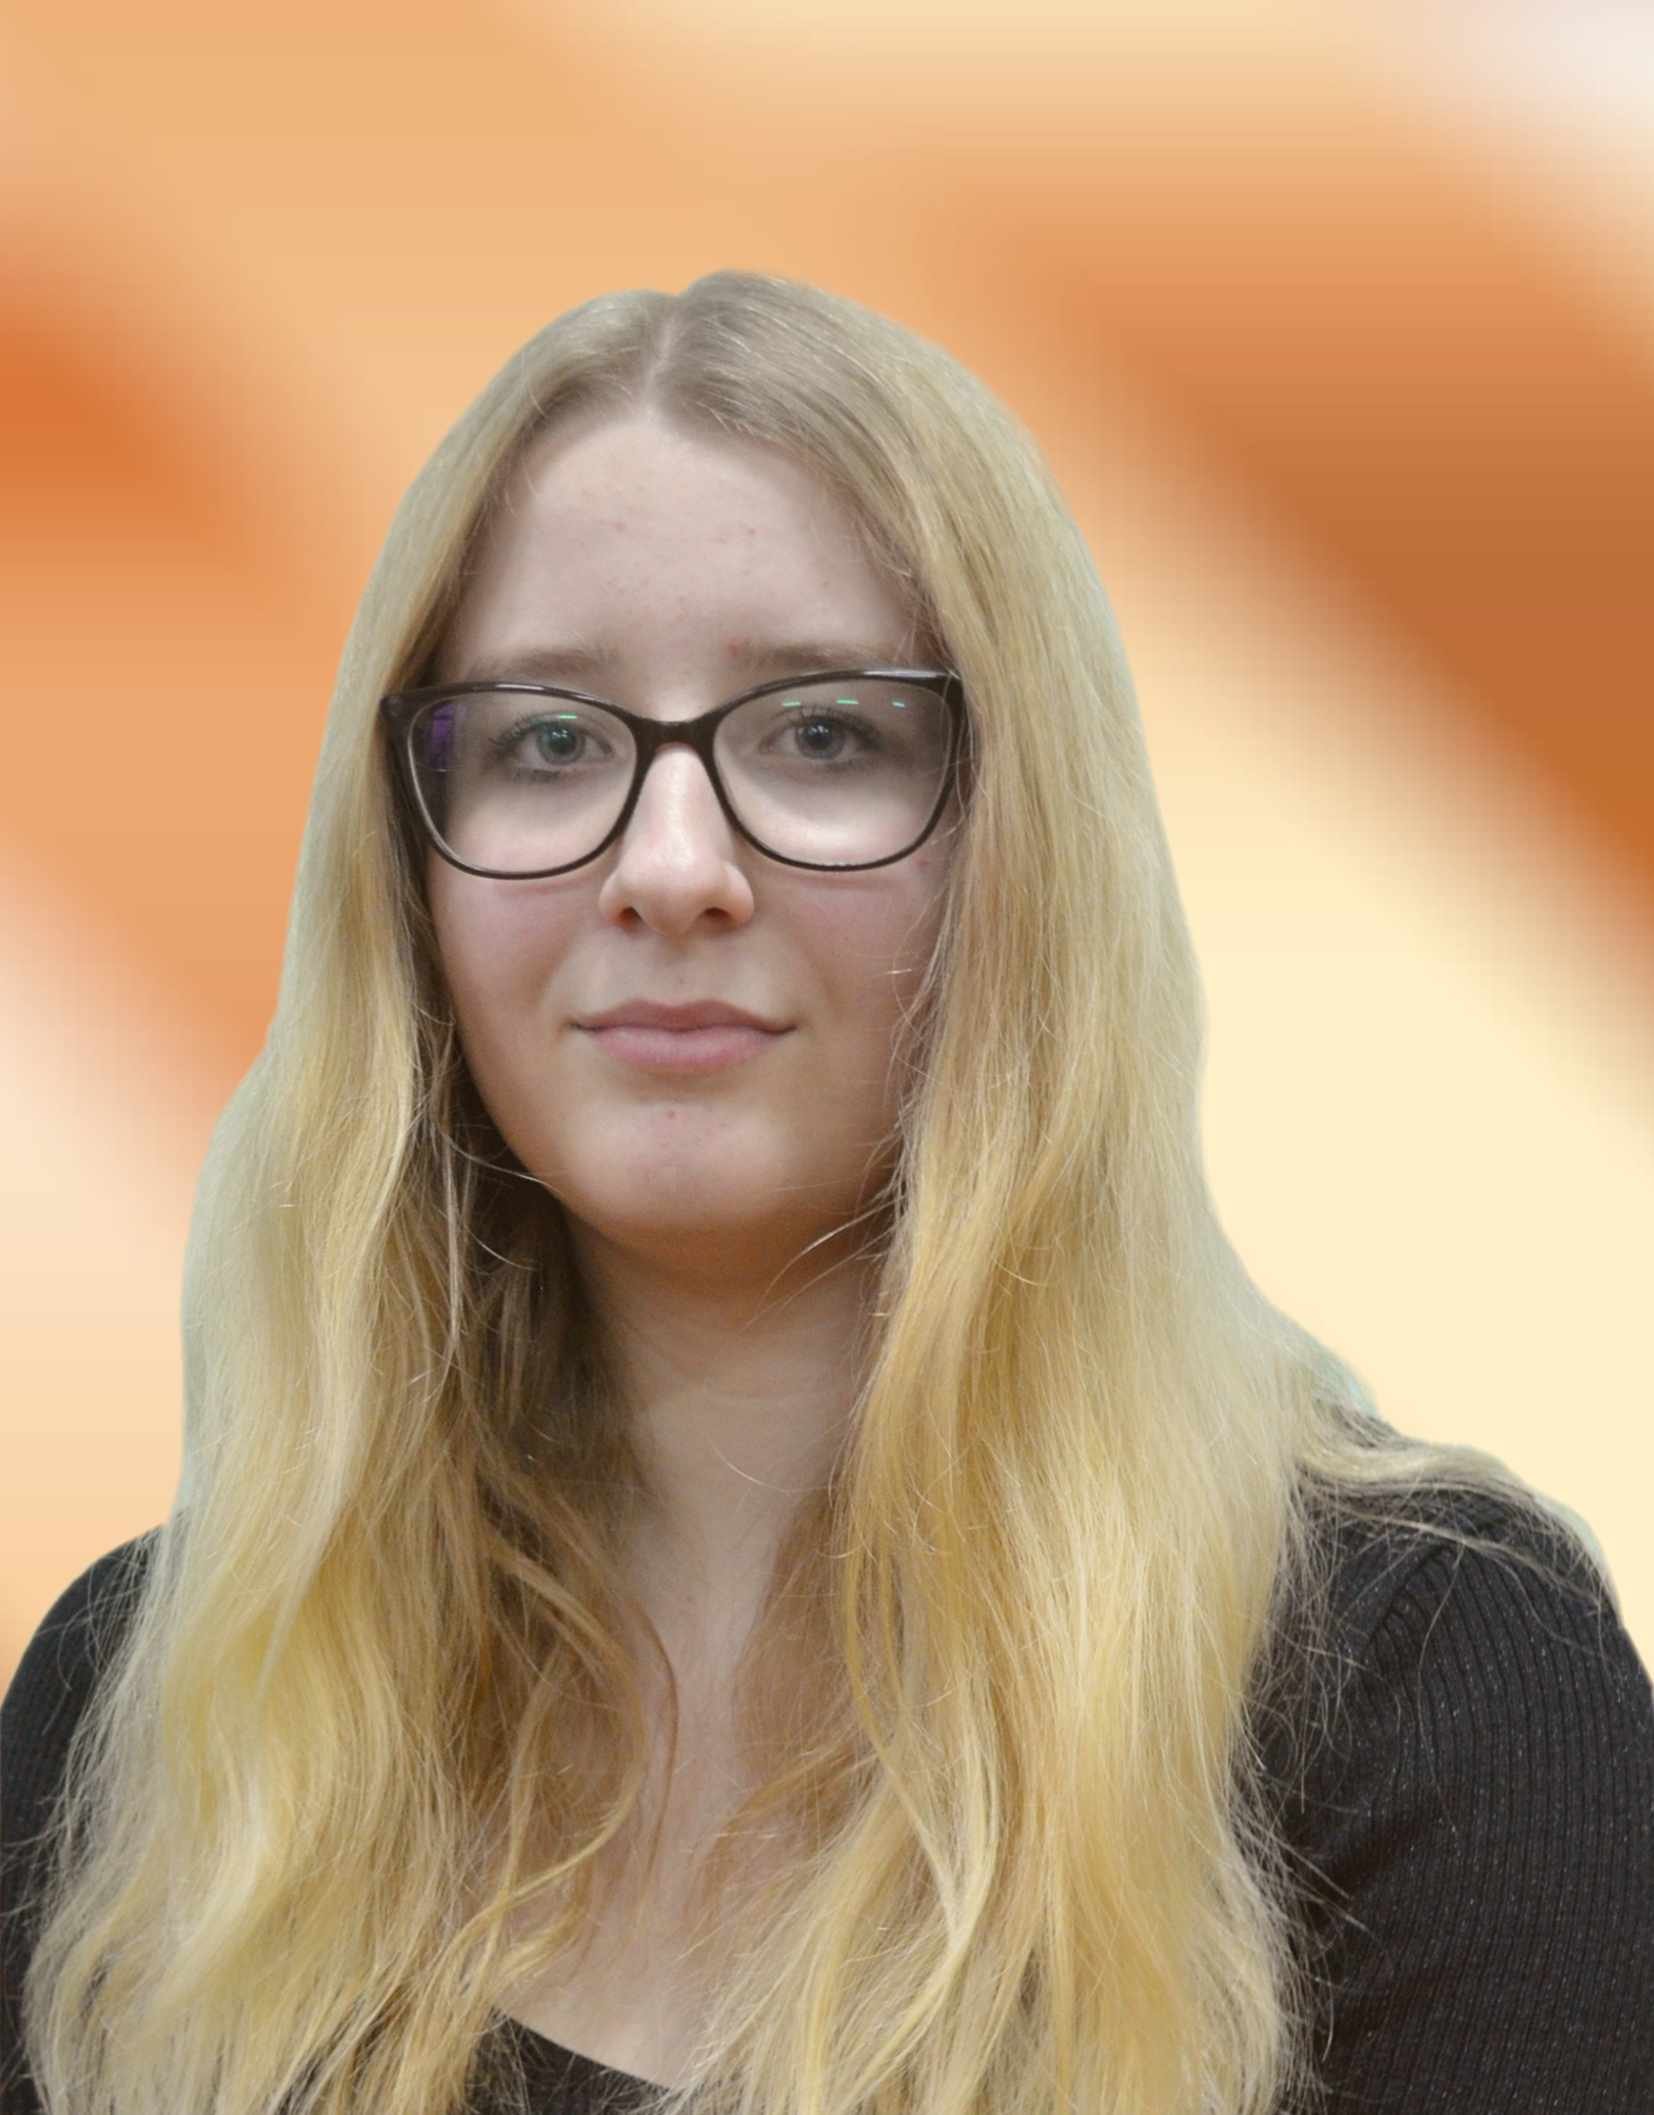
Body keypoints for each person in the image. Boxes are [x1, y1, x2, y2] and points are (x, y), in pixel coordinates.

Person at [3, 272, 1650, 2115]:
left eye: (821, 736)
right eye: (549, 740)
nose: (670, 866)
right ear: (408, 878)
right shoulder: (146, 1710)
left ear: (1021, 849)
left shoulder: (1426, 1683)